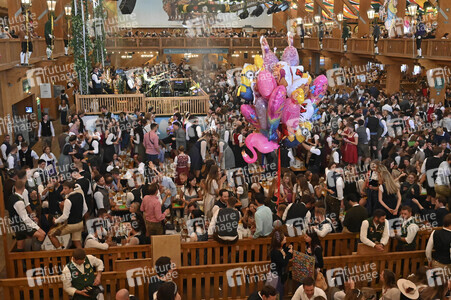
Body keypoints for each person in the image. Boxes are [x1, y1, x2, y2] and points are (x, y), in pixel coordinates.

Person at [7, 179, 46, 251]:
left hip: (15, 225)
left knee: (20, 245)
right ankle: (35, 257)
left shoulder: (11, 197)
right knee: (42, 235)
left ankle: (20, 262)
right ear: (24, 188)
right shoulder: (19, 202)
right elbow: (25, 219)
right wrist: (38, 228)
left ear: (15, 187)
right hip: (21, 226)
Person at [49, 181, 88, 249]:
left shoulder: (68, 200)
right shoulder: (80, 195)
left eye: (65, 188)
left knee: (50, 234)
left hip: (71, 225)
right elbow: (85, 209)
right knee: (76, 241)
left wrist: (56, 221)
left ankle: (61, 253)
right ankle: (83, 257)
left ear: (71, 189)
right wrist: (78, 216)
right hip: (80, 224)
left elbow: (65, 216)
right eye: (63, 188)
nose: (63, 190)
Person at [269, 230, 293, 298]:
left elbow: (284, 255)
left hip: (280, 275)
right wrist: (289, 254)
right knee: (277, 294)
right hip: (276, 276)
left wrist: (288, 250)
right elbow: (283, 263)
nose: (285, 237)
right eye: (283, 237)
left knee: (280, 292)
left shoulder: (280, 248)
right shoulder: (275, 252)